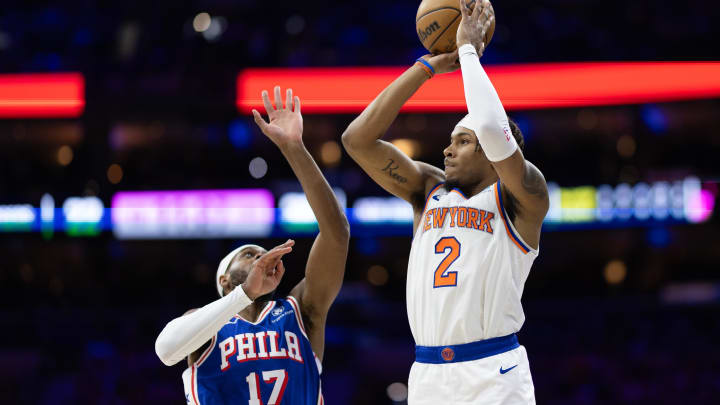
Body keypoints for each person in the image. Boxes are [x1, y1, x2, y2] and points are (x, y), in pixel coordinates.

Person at [341, 1, 548, 403]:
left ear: (492, 151)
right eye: (451, 141)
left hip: (493, 372)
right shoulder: (428, 191)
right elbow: (356, 140)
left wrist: (468, 51)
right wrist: (427, 67)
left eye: (462, 141)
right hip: (428, 374)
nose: (447, 150)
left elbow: (489, 124)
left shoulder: (524, 196)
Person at [155, 86, 349, 405]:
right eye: (249, 255)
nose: (261, 257)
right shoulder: (205, 326)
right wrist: (243, 294)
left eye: (262, 254)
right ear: (224, 281)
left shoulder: (301, 309)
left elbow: (337, 232)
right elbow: (165, 351)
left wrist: (294, 148)